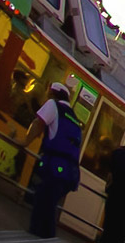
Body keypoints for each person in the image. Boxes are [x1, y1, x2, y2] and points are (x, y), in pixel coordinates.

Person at [24, 83, 82, 238]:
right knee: (48, 205)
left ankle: (39, 237)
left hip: (55, 167)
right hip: (70, 173)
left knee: (44, 207)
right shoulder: (74, 117)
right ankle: (40, 236)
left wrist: (24, 142)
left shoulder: (53, 105)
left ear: (52, 94)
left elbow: (38, 123)